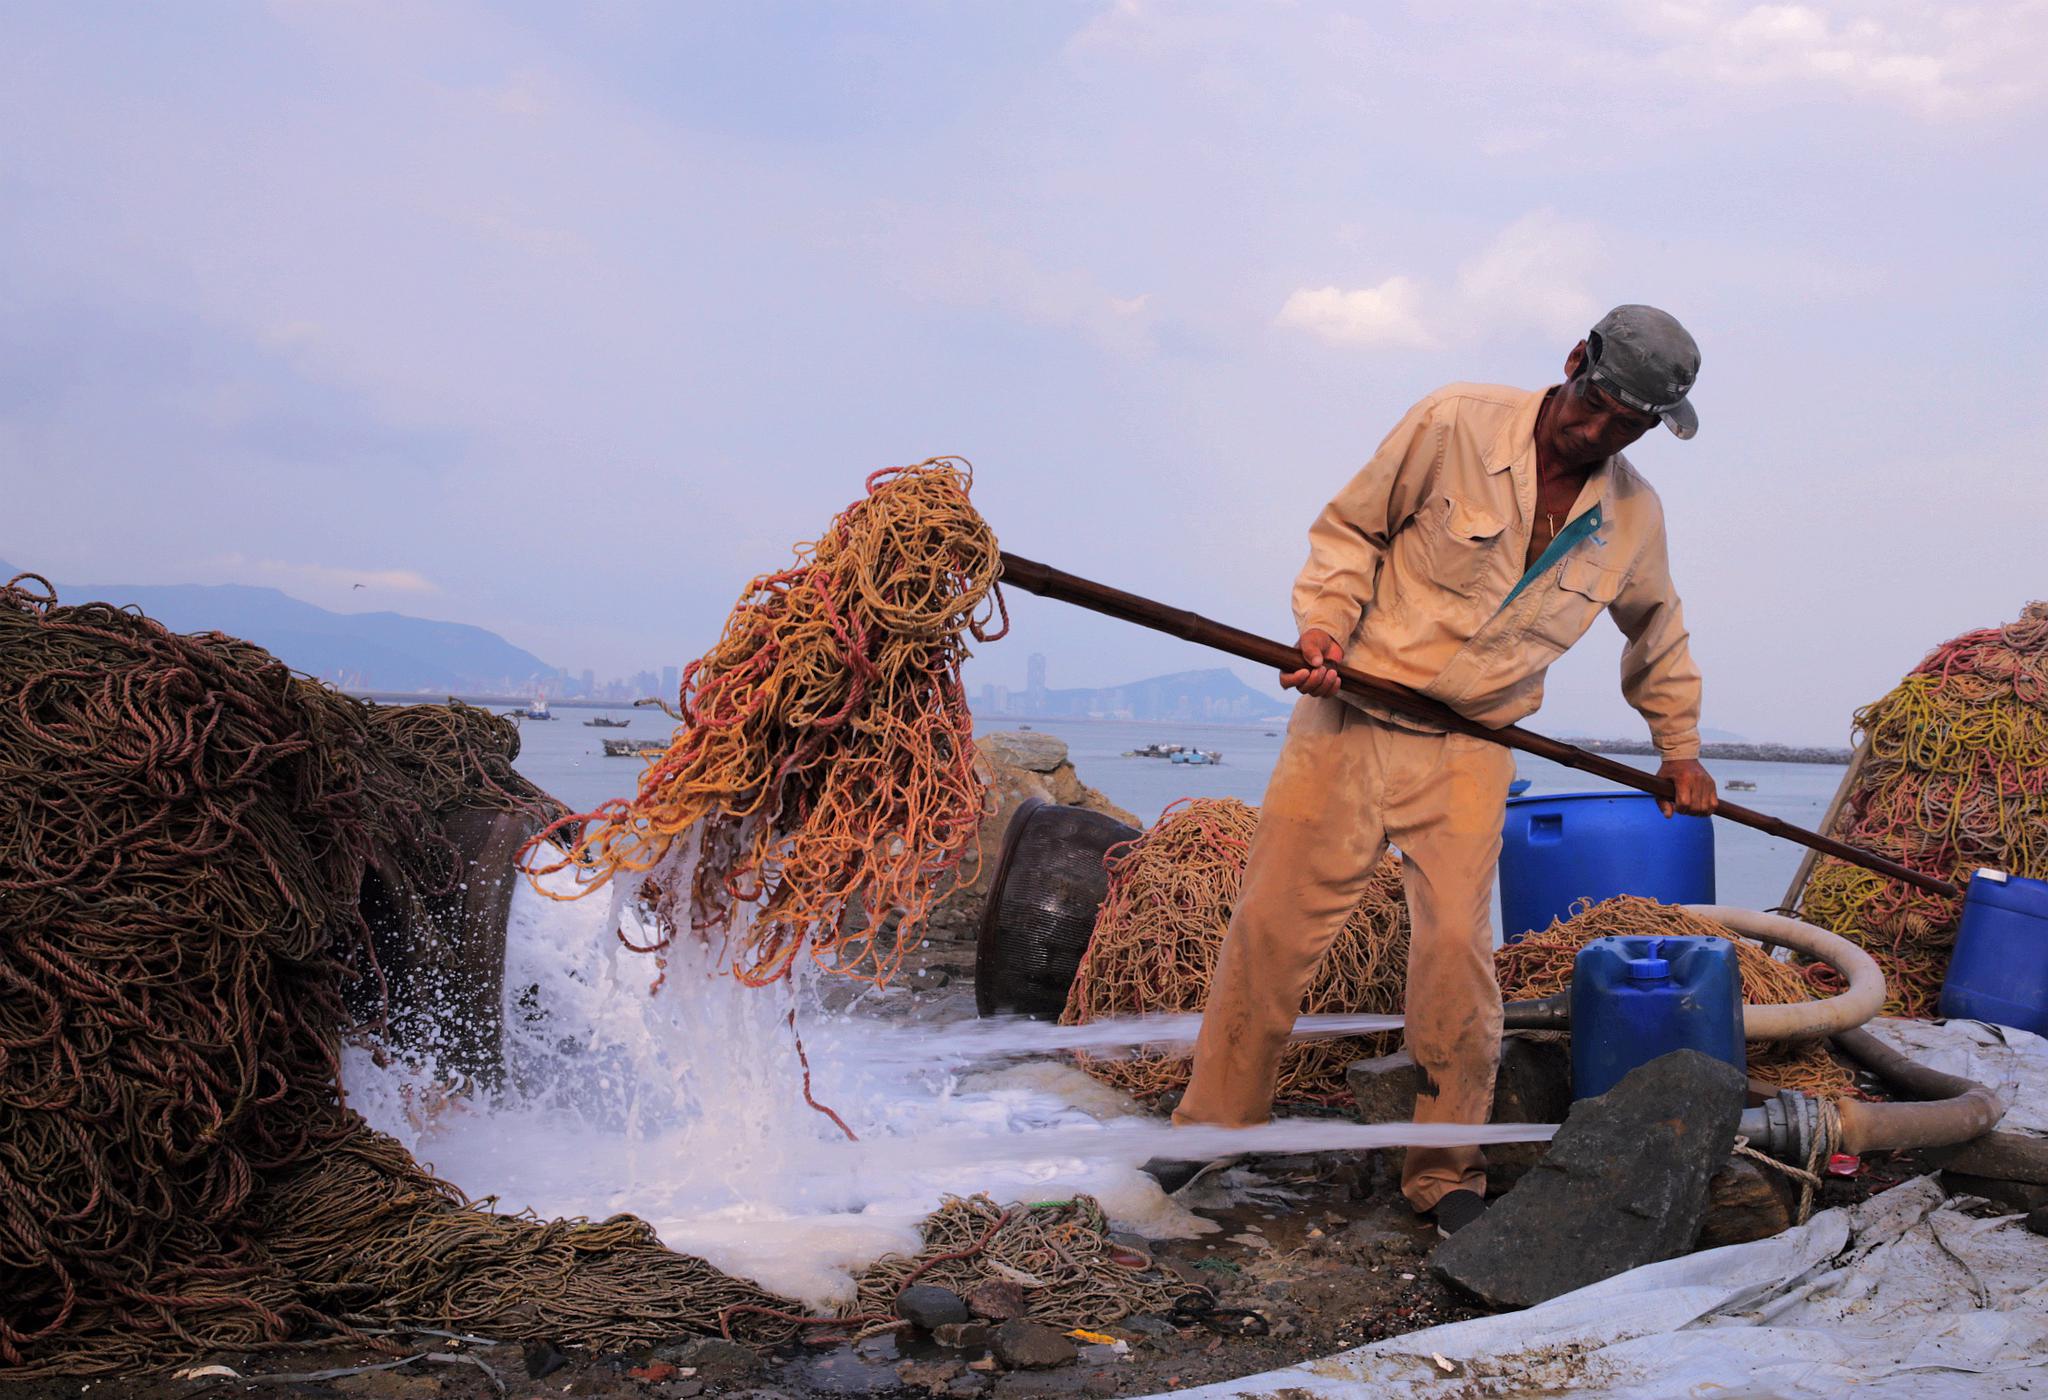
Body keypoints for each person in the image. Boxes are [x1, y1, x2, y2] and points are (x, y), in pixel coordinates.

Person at [1164, 304, 1719, 1238]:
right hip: (1349, 718)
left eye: (1630, 423)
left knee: (1458, 960)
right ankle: (1213, 1128)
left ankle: (1444, 1169)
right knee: (1271, 930)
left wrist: (1681, 750)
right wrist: (1322, 630)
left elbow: (1657, 631)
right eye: (1598, 405)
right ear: (1575, 362)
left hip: (1471, 745)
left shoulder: (1631, 515)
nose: (1602, 431)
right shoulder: (1455, 419)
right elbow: (1350, 534)